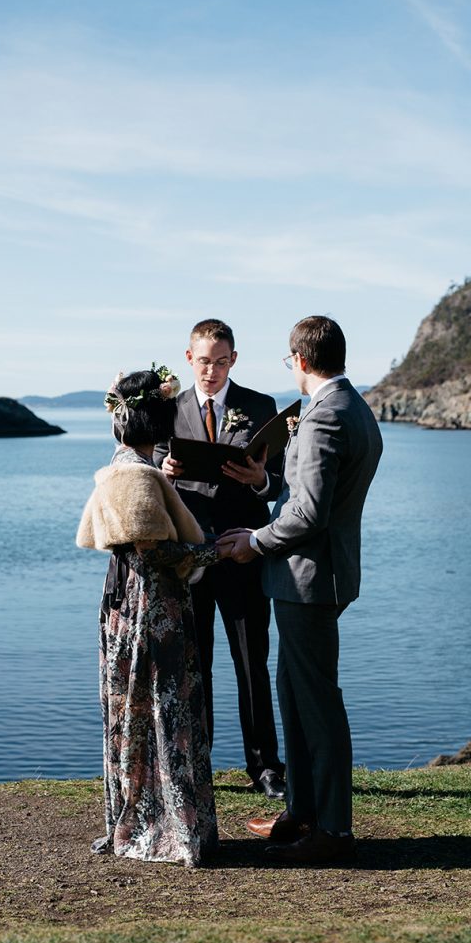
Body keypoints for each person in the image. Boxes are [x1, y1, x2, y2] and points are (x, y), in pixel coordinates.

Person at [218, 317, 383, 864]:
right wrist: (262, 484)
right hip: (313, 576)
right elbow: (307, 494)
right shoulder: (352, 407)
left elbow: (309, 513)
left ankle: (332, 830)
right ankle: (301, 811)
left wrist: (254, 542)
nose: (291, 369)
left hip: (310, 579)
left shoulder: (323, 418)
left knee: (317, 705)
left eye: (290, 361)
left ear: (302, 360)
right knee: (294, 694)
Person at [77, 366, 230, 867]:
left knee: (135, 709)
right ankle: (167, 828)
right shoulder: (135, 475)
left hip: (129, 602)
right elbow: (151, 554)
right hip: (150, 608)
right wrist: (213, 552)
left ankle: (141, 816)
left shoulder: (125, 465)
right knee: (163, 707)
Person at [154, 319, 286, 800]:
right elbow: (153, 474)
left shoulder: (260, 407)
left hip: (244, 552)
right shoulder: (168, 410)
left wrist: (258, 481)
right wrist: (161, 469)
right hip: (189, 554)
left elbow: (279, 483)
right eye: (204, 361)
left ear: (234, 361)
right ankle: (198, 762)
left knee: (252, 662)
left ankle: (266, 768)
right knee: (197, 664)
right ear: (189, 359)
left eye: (221, 361)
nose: (212, 370)